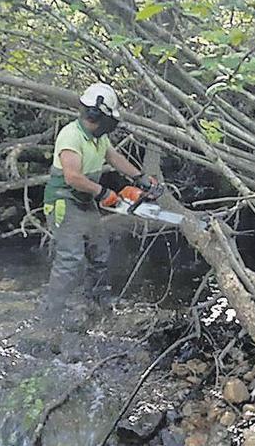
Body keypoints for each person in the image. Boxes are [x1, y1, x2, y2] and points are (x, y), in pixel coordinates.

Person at [41, 82, 157, 330]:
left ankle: (97, 303)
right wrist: (103, 192)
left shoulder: (99, 138)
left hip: (84, 200)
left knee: (99, 253)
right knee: (70, 259)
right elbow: (72, 176)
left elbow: (114, 158)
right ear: (98, 115)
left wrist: (140, 178)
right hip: (64, 200)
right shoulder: (71, 135)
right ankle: (51, 317)